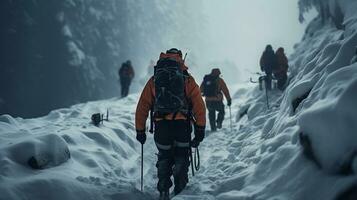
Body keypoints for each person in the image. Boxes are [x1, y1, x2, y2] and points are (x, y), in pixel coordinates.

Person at [135, 48, 206, 199]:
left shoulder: (154, 80)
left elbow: (143, 106)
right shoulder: (187, 79)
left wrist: (140, 130)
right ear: (180, 59)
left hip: (162, 127)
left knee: (164, 156)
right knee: (181, 155)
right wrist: (200, 128)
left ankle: (163, 190)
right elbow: (199, 105)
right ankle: (180, 189)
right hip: (182, 126)